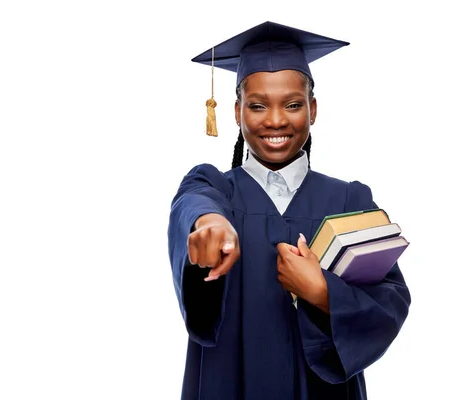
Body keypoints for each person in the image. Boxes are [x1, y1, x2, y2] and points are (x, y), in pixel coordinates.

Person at [167, 21, 411, 400]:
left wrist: (323, 293)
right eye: (258, 105)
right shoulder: (216, 188)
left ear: (313, 109)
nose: (276, 120)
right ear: (236, 112)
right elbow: (193, 202)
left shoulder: (350, 203)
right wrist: (212, 224)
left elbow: (391, 301)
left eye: (293, 104)